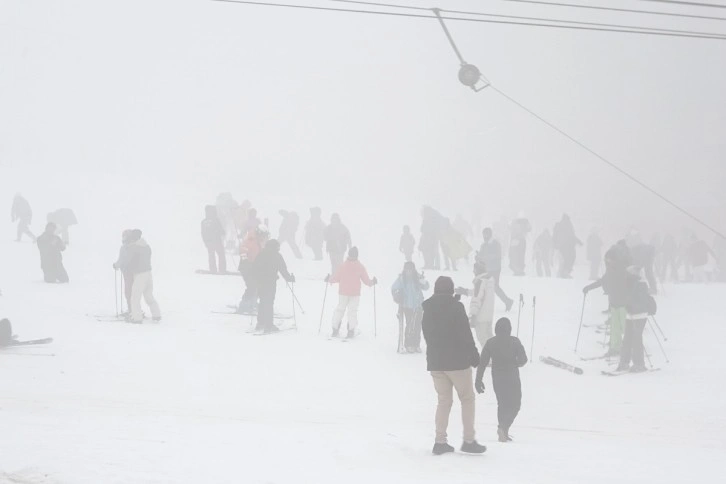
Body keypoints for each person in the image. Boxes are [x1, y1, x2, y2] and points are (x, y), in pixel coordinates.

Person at [421, 276, 486, 455]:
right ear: (451, 291)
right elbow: (465, 334)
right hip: (457, 363)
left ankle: (440, 441)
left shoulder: (428, 309)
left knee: (444, 401)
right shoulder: (456, 308)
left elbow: (428, 334)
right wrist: (474, 357)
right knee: (467, 398)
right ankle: (468, 440)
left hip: (436, 363)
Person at [475, 317, 528, 442]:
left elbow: (482, 363)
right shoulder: (515, 341)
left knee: (502, 404)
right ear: (509, 329)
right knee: (515, 404)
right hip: (512, 377)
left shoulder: (490, 342)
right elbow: (523, 360)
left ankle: (503, 430)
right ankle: (504, 428)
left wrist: (478, 380)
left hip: (497, 377)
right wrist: (516, 362)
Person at [583, 241, 631, 356]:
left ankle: (632, 348)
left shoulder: (622, 270)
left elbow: (630, 285)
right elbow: (602, 281)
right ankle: (615, 348)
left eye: (609, 260)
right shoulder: (610, 270)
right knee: (615, 328)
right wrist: (588, 287)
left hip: (624, 303)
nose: (607, 262)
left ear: (615, 259)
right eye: (606, 260)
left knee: (626, 327)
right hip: (613, 302)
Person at [327, 247, 376, 339]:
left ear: (348, 254)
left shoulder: (343, 265)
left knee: (340, 309)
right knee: (352, 311)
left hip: (343, 292)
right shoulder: (360, 267)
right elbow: (366, 281)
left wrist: (329, 279)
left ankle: (335, 328)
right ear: (357, 255)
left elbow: (336, 278)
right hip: (355, 293)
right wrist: (372, 282)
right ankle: (350, 330)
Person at [113, 229, 161, 324]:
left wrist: (117, 266)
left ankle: (136, 318)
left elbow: (126, 260)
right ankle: (157, 314)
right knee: (148, 296)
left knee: (135, 297)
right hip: (148, 274)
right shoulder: (147, 246)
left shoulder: (133, 248)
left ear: (133, 238)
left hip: (139, 275)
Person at [616, 266, 655, 372]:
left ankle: (639, 364)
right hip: (630, 314)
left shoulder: (641, 284)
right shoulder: (629, 283)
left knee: (636, 339)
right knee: (627, 338)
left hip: (640, 315)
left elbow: (637, 300)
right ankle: (624, 362)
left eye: (629, 273)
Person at [252, 239, 295, 333]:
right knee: (269, 303)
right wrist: (290, 278)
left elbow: (254, 268)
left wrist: (255, 280)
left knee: (263, 302)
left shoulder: (261, 254)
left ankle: (260, 323)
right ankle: (269, 325)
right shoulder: (277, 256)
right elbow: (283, 270)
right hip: (270, 282)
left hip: (261, 282)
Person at [391, 261, 428, 352]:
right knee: (410, 325)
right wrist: (397, 295)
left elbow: (426, 287)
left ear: (413, 270)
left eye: (410, 270)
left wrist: (423, 281)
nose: (408, 272)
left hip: (418, 305)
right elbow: (393, 287)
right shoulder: (401, 279)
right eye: (407, 269)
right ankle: (408, 344)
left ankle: (416, 344)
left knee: (418, 325)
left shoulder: (418, 277)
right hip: (407, 306)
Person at [456, 261, 496, 347]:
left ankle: (490, 360)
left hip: (481, 317)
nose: (473, 271)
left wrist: (473, 315)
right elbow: (478, 293)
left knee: (483, 339)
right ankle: (497, 358)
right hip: (488, 316)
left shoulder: (480, 282)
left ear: (478, 270)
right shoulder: (488, 281)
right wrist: (465, 291)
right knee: (490, 339)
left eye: (474, 269)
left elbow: (477, 299)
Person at [476, 228, 514, 311]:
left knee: (494, 287)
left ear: (489, 234)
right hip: (486, 269)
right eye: (483, 234)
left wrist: (485, 257)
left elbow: (497, 255)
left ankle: (507, 301)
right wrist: (478, 256)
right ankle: (507, 301)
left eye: (485, 234)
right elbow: (481, 254)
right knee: (486, 286)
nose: (484, 236)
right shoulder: (483, 245)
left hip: (495, 269)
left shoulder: (495, 244)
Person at [237, 225, 269, 314]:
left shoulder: (259, 241)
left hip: (254, 267)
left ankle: (253, 303)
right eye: (264, 235)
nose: (265, 237)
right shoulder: (251, 240)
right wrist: (245, 261)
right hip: (246, 267)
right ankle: (243, 306)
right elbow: (242, 250)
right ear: (259, 233)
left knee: (259, 285)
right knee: (251, 286)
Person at [552, 214, 581, 278]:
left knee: (564, 260)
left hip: (562, 246)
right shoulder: (568, 225)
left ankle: (562, 273)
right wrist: (578, 241)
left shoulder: (559, 225)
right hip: (568, 246)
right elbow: (572, 235)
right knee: (569, 259)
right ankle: (565, 273)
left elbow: (555, 236)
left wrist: (555, 244)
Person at [114, 229, 135, 314]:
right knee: (128, 291)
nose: (124, 238)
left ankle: (134, 309)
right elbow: (121, 259)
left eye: (125, 236)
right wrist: (116, 265)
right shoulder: (123, 248)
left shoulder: (134, 248)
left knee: (132, 292)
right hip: (126, 273)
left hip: (133, 273)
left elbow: (128, 260)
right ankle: (131, 309)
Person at [201, 205, 227, 273]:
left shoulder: (203, 222)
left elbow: (203, 233)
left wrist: (205, 242)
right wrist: (222, 232)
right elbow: (221, 230)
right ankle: (222, 269)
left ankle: (213, 269)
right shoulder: (216, 220)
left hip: (209, 242)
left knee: (211, 255)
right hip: (217, 241)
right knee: (221, 255)